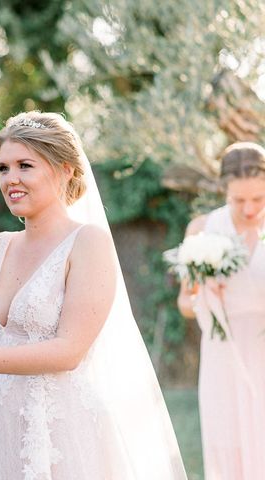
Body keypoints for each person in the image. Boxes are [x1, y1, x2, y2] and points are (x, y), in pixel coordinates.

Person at [0, 112, 187, 479]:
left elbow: (68, 351)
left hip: (58, 430)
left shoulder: (87, 243)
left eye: (25, 166)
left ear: (65, 170)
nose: (11, 180)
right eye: (3, 169)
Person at [177, 141, 265, 480]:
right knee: (228, 441)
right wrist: (205, 297)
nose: (249, 208)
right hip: (222, 351)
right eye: (238, 200)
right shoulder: (202, 230)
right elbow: (186, 303)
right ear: (223, 190)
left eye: (258, 198)